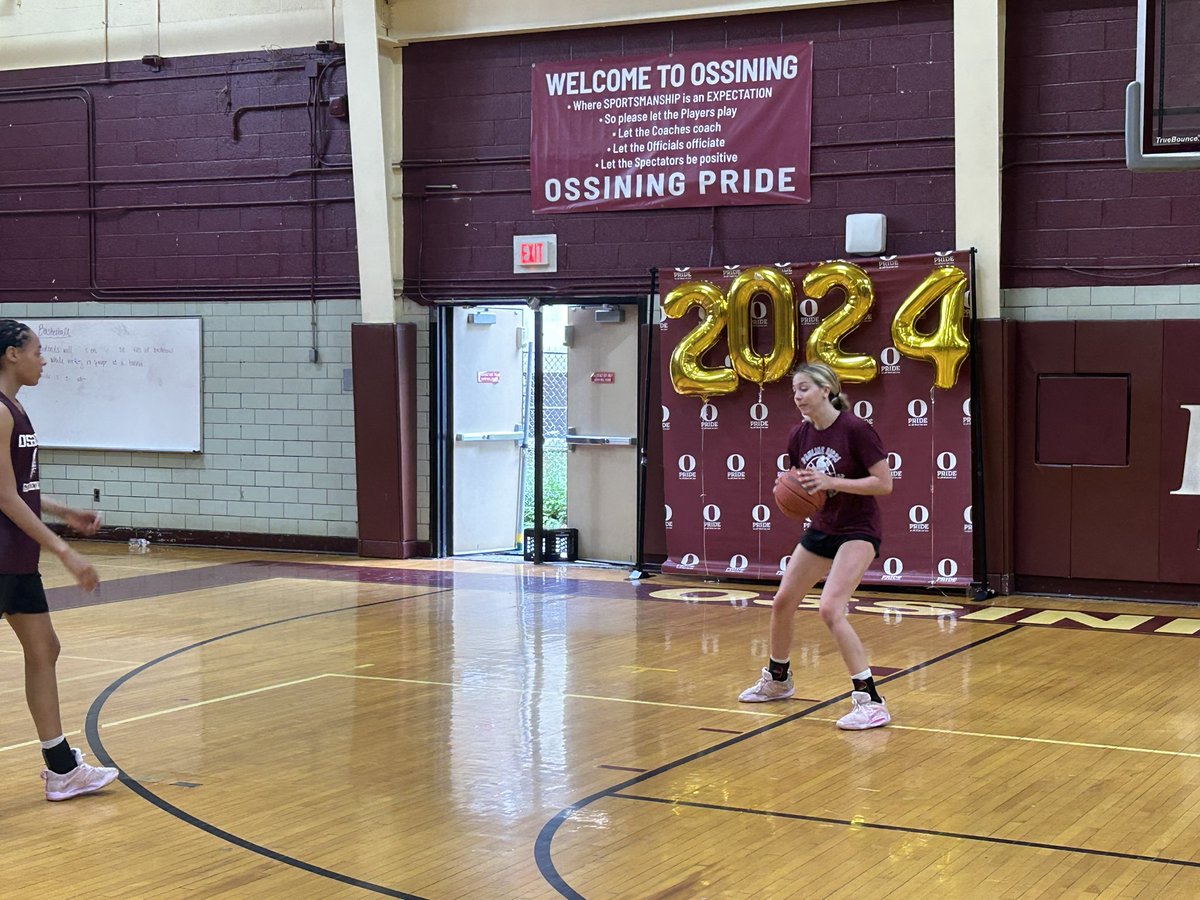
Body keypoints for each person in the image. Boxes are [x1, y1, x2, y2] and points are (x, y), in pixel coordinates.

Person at [738, 362, 894, 729]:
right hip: (824, 527)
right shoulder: (799, 435)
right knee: (782, 602)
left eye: (804, 388)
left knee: (830, 608)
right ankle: (778, 680)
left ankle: (871, 700)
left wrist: (832, 481)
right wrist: (792, 484)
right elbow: (808, 487)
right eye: (794, 390)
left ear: (826, 390)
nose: (797, 396)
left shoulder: (855, 429)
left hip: (859, 529)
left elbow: (883, 483)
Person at [0, 319, 119, 799]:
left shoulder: (14, 408)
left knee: (45, 649)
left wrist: (63, 510)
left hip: (15, 560)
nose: (43, 359)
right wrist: (65, 552)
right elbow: (4, 497)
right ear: (12, 353)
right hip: (2, 555)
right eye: (37, 350)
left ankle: (61, 768)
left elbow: (20, 489)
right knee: (44, 650)